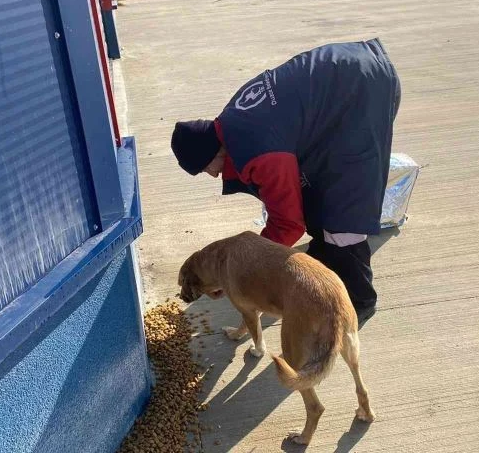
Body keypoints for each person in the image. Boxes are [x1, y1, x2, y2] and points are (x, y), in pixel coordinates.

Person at [171, 40, 401, 327]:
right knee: (315, 194)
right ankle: (327, 257)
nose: (212, 175)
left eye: (205, 168)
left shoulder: (260, 152)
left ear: (213, 153)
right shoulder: (232, 122)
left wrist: (246, 268)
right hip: (350, 71)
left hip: (362, 91)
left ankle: (359, 303)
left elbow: (288, 223)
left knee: (344, 210)